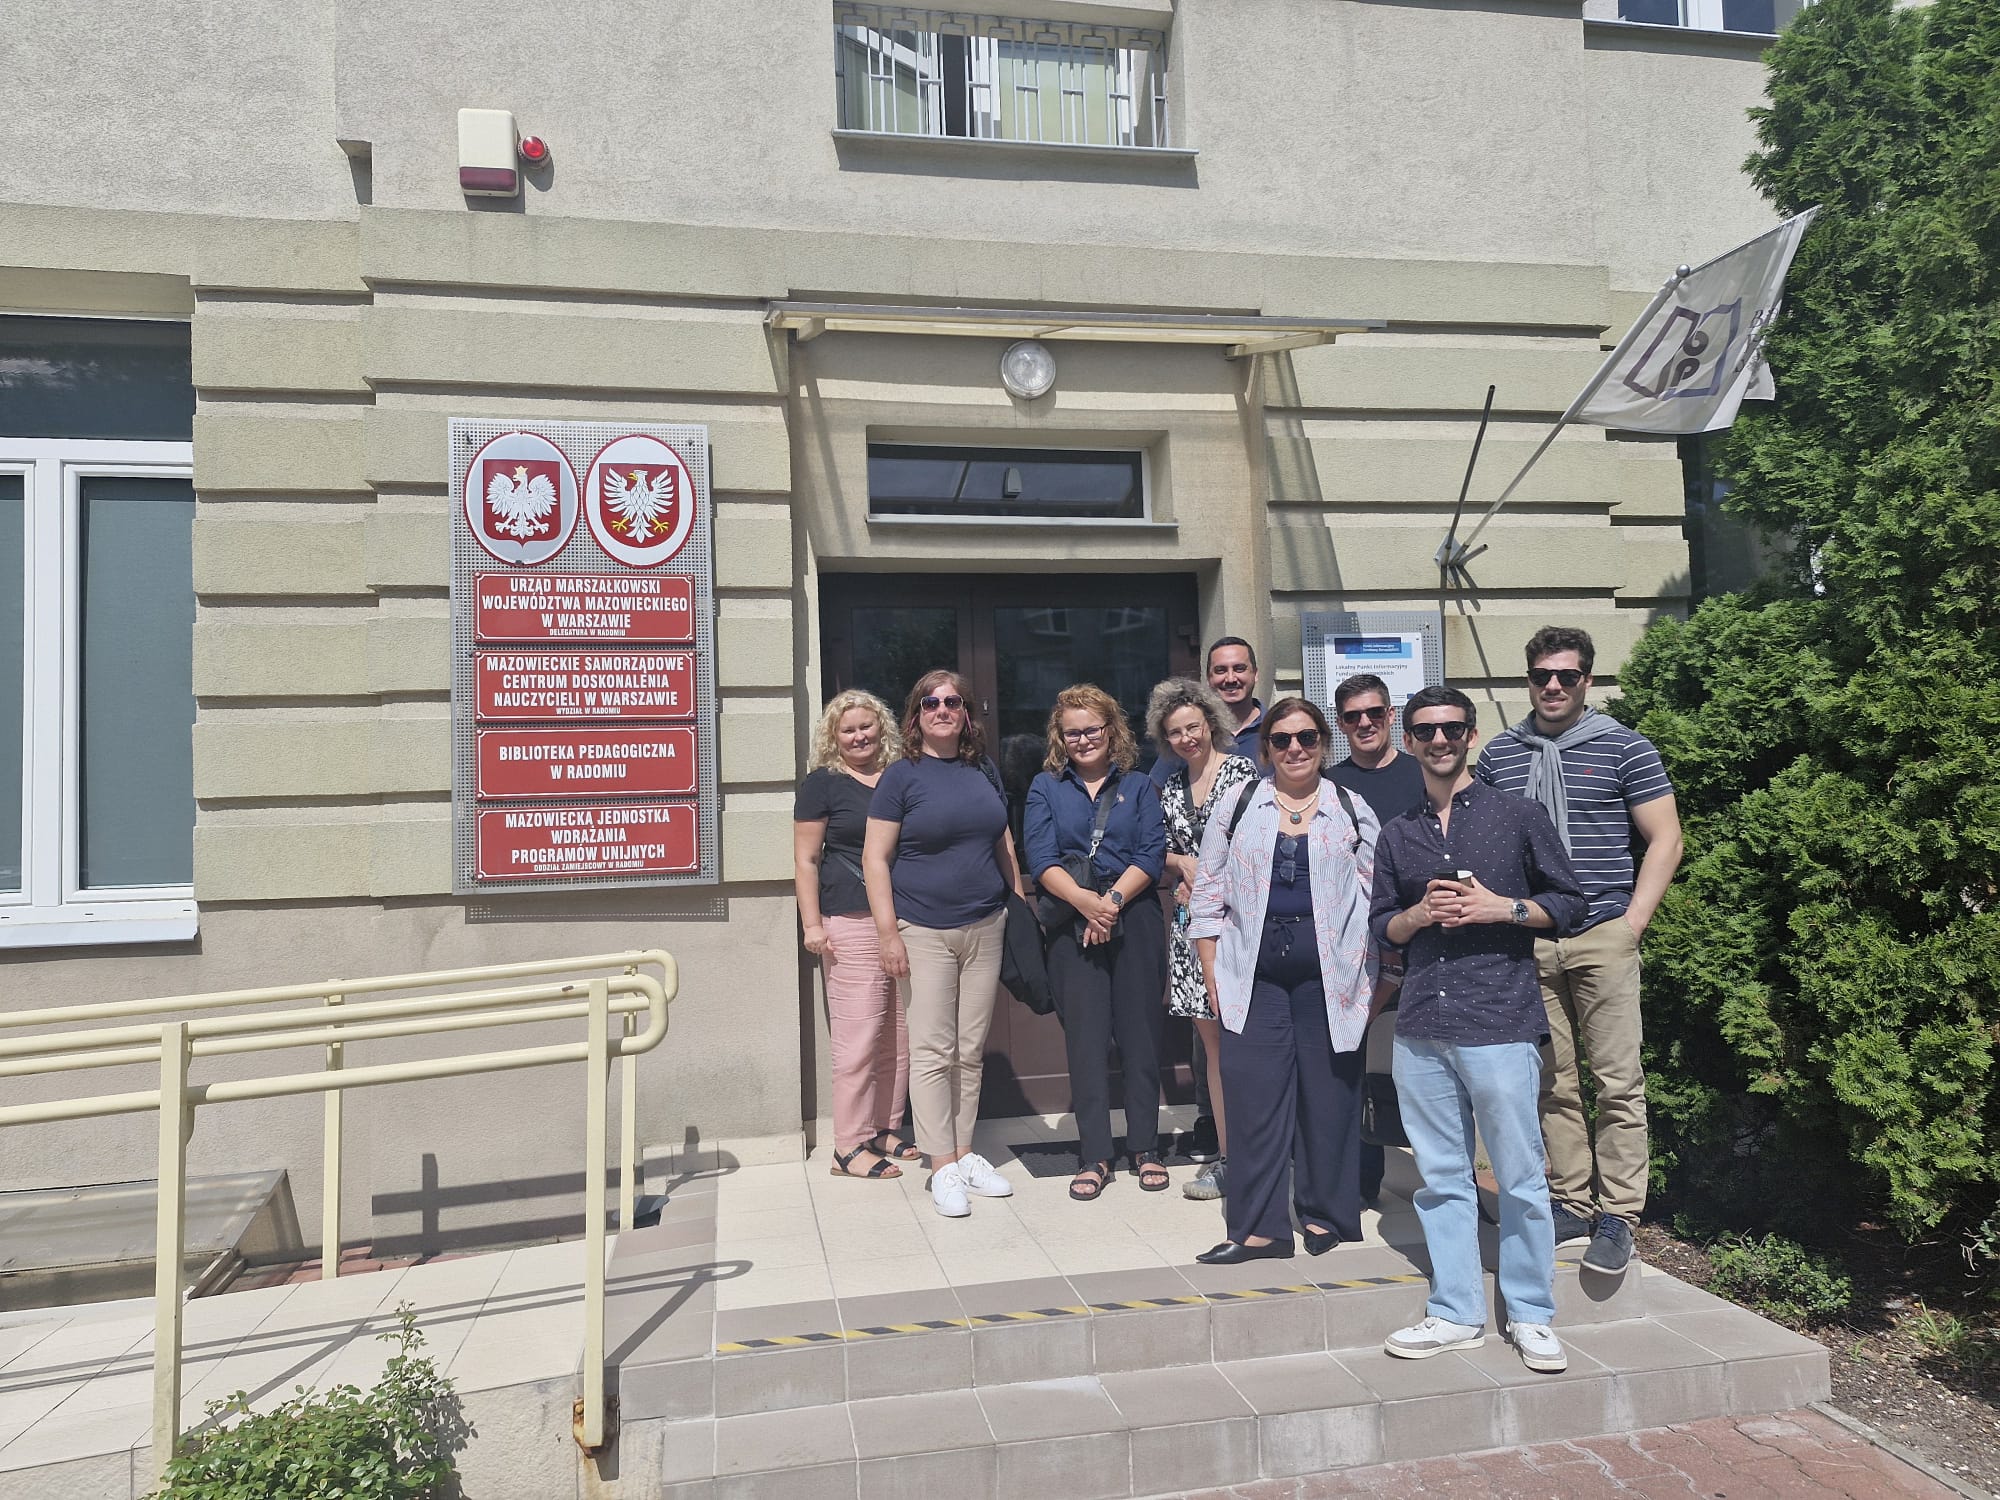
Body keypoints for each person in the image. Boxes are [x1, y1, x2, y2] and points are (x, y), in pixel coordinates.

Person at [1371, 686, 1587, 1374]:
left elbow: (1569, 904)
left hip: (1499, 1019)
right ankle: (1457, 1312)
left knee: (1519, 1178)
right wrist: (1416, 917)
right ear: (1410, 741)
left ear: (1470, 734)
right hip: (1422, 1025)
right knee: (1440, 1178)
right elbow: (1382, 926)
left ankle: (1531, 1314)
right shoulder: (1398, 832)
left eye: (1451, 728)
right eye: (1425, 730)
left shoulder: (1517, 815)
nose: (1439, 739)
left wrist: (1502, 908)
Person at [1474, 626, 1683, 1276]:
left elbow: (1666, 838)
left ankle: (1619, 1213)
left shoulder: (1626, 747)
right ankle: (1570, 1198)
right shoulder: (1501, 755)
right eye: (1543, 675)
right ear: (1529, 680)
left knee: (1618, 1082)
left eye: (1567, 675)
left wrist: (1633, 923)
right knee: (1553, 1082)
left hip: (1603, 934)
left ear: (1587, 680)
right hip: (1532, 941)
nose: (1554, 686)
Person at [1186, 696, 1379, 1264]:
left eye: (1307, 738)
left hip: (1331, 978)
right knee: (1252, 1099)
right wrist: (1210, 970)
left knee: (1329, 1098)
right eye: (1282, 739)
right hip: (1253, 975)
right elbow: (1207, 893)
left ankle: (1324, 1215)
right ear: (1266, 748)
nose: (1295, 748)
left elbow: (1377, 898)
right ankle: (1259, 1231)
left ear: (1323, 743)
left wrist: (1372, 978)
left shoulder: (1351, 808)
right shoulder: (1240, 803)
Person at [864, 670, 1026, 1218]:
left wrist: (1016, 905)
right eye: (930, 703)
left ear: (966, 713)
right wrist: (888, 933)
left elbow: (1003, 841)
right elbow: (874, 859)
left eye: (952, 702)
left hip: (985, 924)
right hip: (923, 928)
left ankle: (963, 1151)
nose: (942, 710)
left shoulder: (983, 770)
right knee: (933, 1050)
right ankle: (941, 1166)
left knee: (969, 1049)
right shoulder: (900, 777)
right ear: (916, 715)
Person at [1026, 685, 1171, 1201]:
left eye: (1092, 729)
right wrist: (1086, 903)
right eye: (1072, 733)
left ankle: (1145, 1148)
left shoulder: (1140, 785)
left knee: (1140, 1038)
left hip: (1135, 916)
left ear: (1112, 731)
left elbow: (1152, 853)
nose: (1083, 739)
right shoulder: (1045, 787)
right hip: (1072, 923)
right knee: (1085, 1043)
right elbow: (1040, 858)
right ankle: (1095, 1156)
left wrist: (1108, 902)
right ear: (1059, 737)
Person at [1151, 635, 1269, 1165]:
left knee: (1248, 1046)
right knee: (1215, 1052)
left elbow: (1260, 847)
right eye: (1175, 731)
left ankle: (1262, 1153)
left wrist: (1210, 875)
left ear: (1211, 724)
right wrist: (1180, 863)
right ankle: (1229, 1157)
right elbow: (1155, 849)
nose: (1186, 738)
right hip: (1189, 927)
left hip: (1241, 925)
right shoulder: (1171, 785)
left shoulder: (1242, 775)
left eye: (1193, 727)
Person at [795, 690, 914, 1180]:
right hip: (850, 919)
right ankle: (847, 1146)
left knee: (898, 1035)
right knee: (858, 1036)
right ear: (834, 736)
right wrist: (812, 924)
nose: (859, 736)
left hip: (905, 919)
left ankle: (882, 1128)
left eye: (866, 726)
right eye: (848, 730)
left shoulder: (900, 775)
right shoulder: (823, 783)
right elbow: (806, 860)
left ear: (881, 727)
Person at [1325, 672, 1427, 1207]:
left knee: (1436, 1067)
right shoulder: (1329, 785)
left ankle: (1450, 1183)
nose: (1364, 723)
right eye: (1352, 716)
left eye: (1373, 713)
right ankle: (1362, 1182)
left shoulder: (1422, 773)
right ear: (1341, 724)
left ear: (1391, 715)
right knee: (1357, 1062)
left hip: (1427, 940)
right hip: (1357, 946)